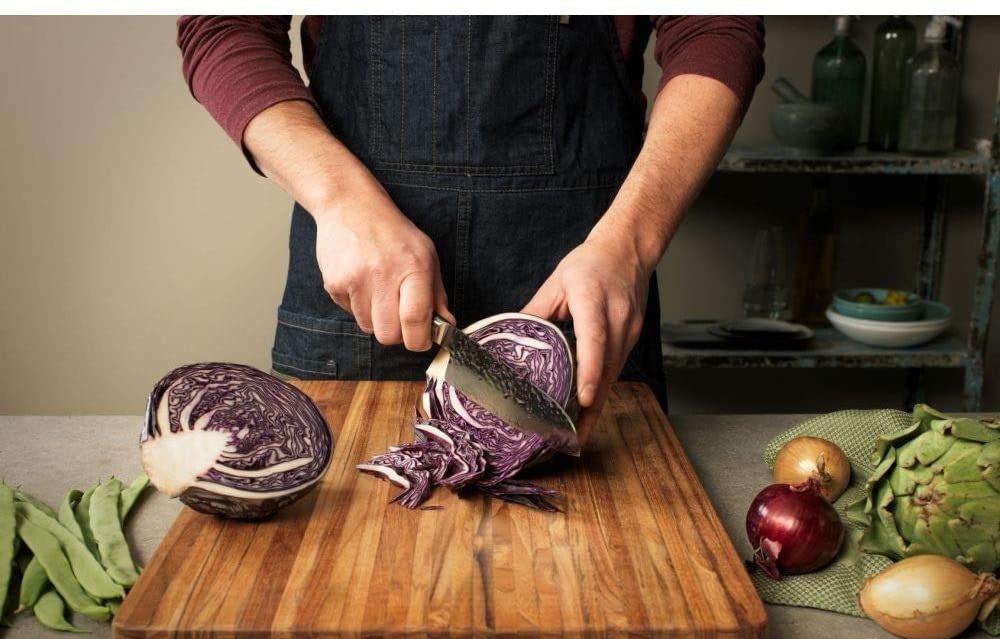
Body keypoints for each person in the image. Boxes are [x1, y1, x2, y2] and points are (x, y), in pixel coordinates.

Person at [177, 16, 765, 444]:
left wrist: (633, 244)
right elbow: (223, 27)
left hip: (583, 286)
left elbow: (718, 29)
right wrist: (340, 200)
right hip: (362, 297)